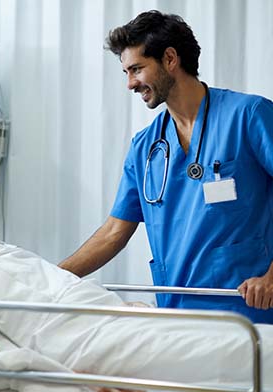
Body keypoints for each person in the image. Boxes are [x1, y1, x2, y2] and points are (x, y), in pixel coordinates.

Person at [0, 154, 273, 392]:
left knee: (247, 339)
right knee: (251, 350)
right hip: (86, 341)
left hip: (114, 321)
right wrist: (59, 381)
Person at [58, 10, 273, 324]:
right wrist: (50, 277)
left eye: (137, 69)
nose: (130, 83)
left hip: (247, 312)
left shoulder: (249, 116)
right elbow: (113, 233)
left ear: (170, 59)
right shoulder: (145, 147)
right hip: (176, 316)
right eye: (126, 72)